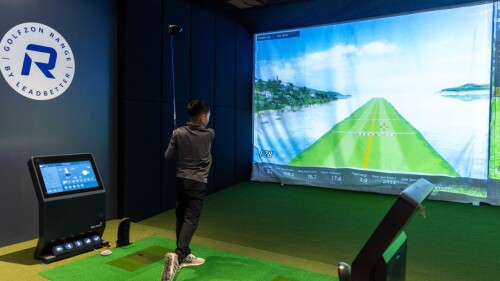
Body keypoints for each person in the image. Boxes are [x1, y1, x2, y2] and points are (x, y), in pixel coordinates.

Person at [161, 100, 215, 281]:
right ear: (202, 117)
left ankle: (184, 254)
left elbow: (168, 156)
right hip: (197, 182)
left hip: (181, 180)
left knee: (181, 217)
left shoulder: (178, 133)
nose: (208, 118)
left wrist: (174, 138)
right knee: (191, 219)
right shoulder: (209, 134)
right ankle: (178, 254)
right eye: (207, 116)